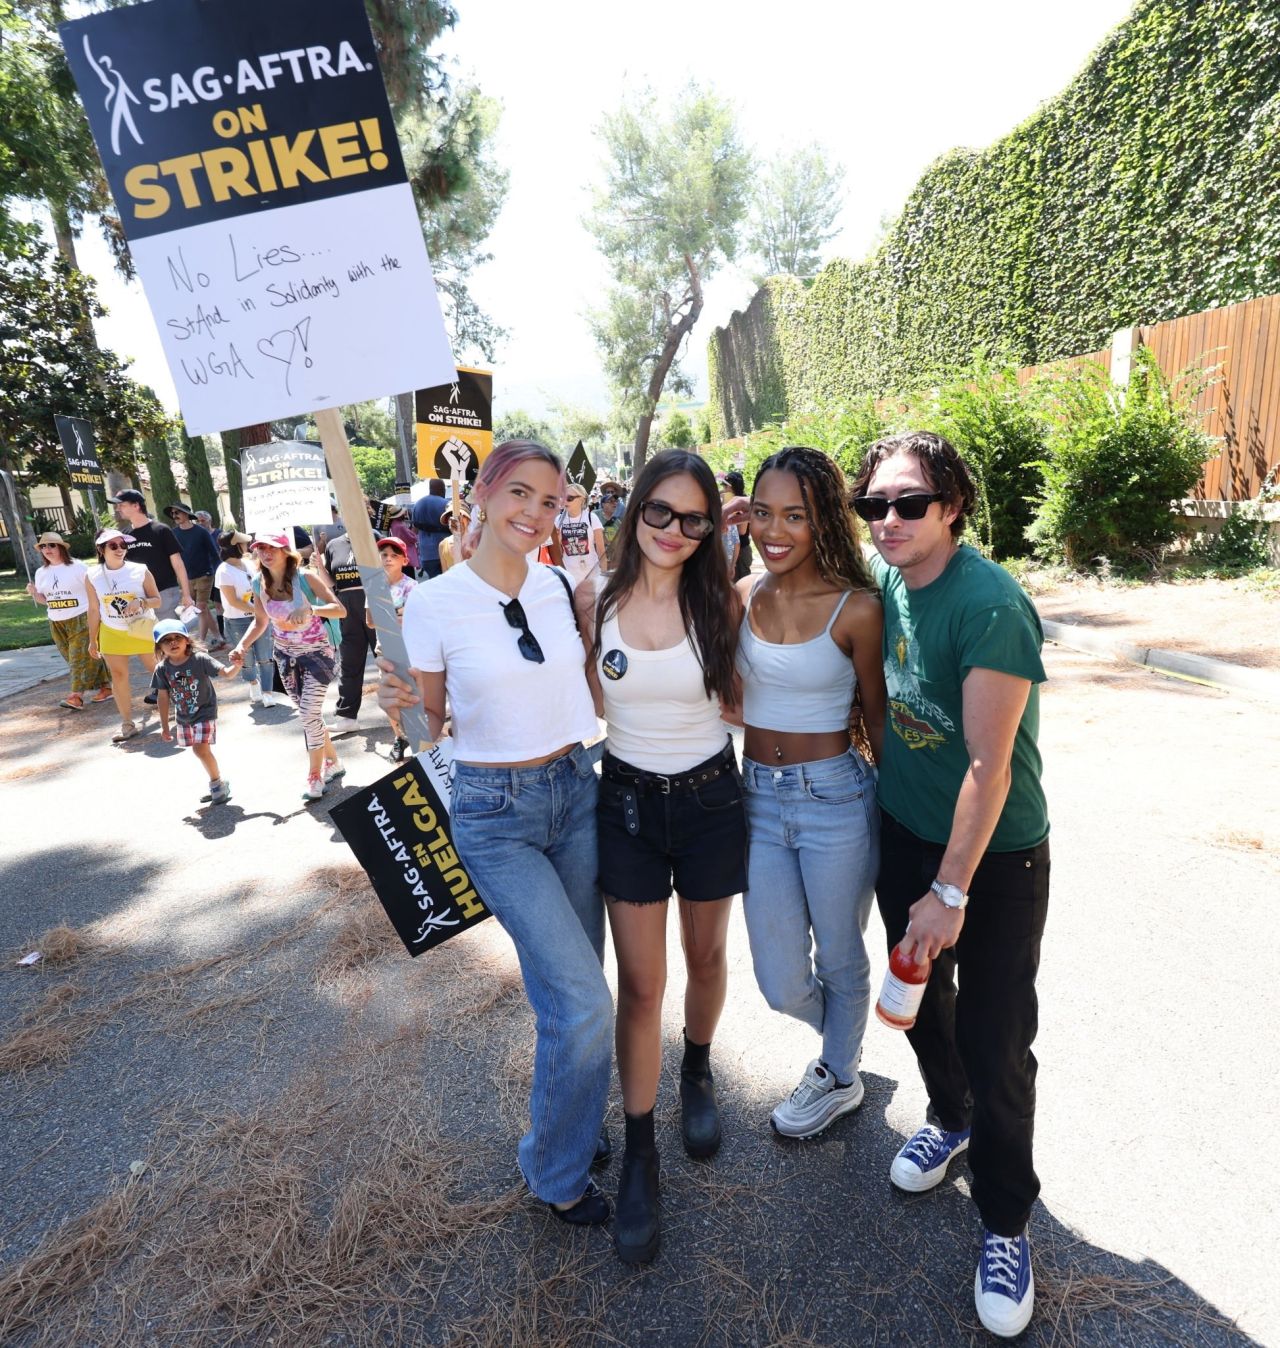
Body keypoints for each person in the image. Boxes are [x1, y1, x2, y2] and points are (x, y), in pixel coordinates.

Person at [379, 440, 613, 1228]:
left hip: (577, 793)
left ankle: (570, 1125)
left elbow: (583, 686)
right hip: (493, 813)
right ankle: (555, 1171)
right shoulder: (433, 602)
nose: (534, 513)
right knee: (584, 1003)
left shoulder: (555, 583)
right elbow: (429, 724)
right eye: (519, 493)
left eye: (549, 502)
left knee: (568, 991)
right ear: (481, 492)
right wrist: (397, 704)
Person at [851, 431, 1050, 1339]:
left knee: (997, 1035)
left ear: (953, 508)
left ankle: (1006, 1223)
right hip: (904, 834)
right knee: (922, 1005)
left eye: (909, 503)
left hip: (993, 863)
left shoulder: (991, 604)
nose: (888, 521)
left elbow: (989, 763)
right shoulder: (890, 576)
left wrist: (952, 891)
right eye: (874, 505)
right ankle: (949, 1114)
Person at [586, 450, 745, 1265]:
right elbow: (570, 698)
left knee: (706, 956)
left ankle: (700, 1066)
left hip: (714, 801)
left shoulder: (723, 603)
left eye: (693, 519)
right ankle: (641, 1151)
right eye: (660, 513)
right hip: (626, 805)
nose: (674, 532)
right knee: (641, 984)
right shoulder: (594, 599)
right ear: (634, 511)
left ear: (710, 526)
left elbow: (754, 697)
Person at [735, 447, 886, 1140]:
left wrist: (905, 819)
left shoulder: (857, 608)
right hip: (758, 799)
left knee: (842, 953)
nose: (776, 530)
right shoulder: (742, 595)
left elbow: (879, 717)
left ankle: (838, 1072)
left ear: (823, 519)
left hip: (834, 799)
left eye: (795, 515)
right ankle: (848, 1042)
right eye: (763, 511)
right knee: (779, 978)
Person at [227, 531, 347, 800]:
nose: (266, 554)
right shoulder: (258, 583)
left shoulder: (307, 578)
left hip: (318, 654)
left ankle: (314, 777)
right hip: (285, 657)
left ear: (285, 551)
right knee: (311, 715)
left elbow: (340, 609)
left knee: (307, 714)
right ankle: (334, 763)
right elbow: (260, 623)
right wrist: (241, 646)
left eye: (272, 548)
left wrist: (312, 609)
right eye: (261, 549)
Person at [150, 618, 241, 805]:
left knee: (200, 748)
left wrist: (237, 665)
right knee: (199, 751)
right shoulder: (162, 669)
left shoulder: (199, 659)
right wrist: (165, 726)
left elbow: (227, 674)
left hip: (205, 712)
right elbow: (163, 697)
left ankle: (216, 785)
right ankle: (219, 782)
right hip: (183, 717)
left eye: (178, 637)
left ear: (187, 641)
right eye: (167, 640)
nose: (173, 642)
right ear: (160, 647)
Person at [85, 527, 162, 743]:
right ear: (101, 549)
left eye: (123, 545)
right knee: (118, 677)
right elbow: (93, 609)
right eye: (113, 545)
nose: (119, 549)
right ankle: (127, 724)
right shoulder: (91, 575)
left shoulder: (139, 570)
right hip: (112, 631)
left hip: (141, 629)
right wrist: (93, 640)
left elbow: (157, 599)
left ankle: (182, 704)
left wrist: (142, 602)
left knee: (157, 671)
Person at [27, 531, 111, 710]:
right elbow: (45, 600)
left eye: (51, 545)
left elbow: (95, 589)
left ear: (61, 548)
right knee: (76, 657)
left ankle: (76, 696)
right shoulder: (41, 572)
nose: (47, 549)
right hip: (56, 621)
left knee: (77, 659)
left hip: (81, 617)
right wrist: (35, 593)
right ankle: (106, 687)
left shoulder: (78, 567)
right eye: (43, 546)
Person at [319, 518, 380, 736]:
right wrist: (318, 565)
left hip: (374, 604)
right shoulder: (333, 545)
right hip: (347, 609)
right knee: (349, 663)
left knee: (388, 659)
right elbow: (332, 583)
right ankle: (347, 716)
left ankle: (409, 712)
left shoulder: (374, 537)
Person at [215, 530, 279, 709]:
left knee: (266, 656)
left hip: (260, 618)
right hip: (238, 621)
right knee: (246, 658)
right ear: (235, 546)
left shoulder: (249, 563)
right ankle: (253, 683)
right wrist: (259, 609)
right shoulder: (223, 570)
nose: (246, 545)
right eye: (243, 543)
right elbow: (232, 600)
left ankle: (268, 691)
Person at [367, 535, 417, 761]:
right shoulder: (374, 586)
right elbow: (369, 620)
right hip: (384, 650)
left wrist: (389, 615)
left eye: (394, 555)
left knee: (411, 696)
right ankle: (399, 737)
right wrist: (394, 615)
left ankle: (419, 737)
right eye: (384, 555)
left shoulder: (411, 586)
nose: (388, 559)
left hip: (409, 650)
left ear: (404, 561)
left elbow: (413, 618)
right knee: (390, 698)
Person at [107, 489, 192, 620]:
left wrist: (186, 594)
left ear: (136, 506)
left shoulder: (161, 530)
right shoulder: (125, 535)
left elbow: (178, 563)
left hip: (165, 593)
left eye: (122, 505)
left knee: (169, 636)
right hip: (139, 596)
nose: (118, 509)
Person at [165, 502, 225, 648]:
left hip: (205, 574)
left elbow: (214, 553)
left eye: (178, 512)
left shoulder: (201, 532)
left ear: (187, 514)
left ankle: (200, 644)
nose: (175, 516)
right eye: (173, 513)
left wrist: (217, 572)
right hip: (186, 577)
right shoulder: (173, 533)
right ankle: (218, 637)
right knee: (202, 609)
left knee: (200, 608)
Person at [553, 482, 605, 593]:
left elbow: (601, 550)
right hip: (569, 575)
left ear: (581, 499)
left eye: (569, 498)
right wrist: (556, 538)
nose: (565, 501)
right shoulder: (558, 520)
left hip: (592, 573)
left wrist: (605, 576)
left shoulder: (591, 518)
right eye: (563, 497)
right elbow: (556, 552)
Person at [410, 476, 450, 579]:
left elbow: (414, 530)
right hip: (445, 553)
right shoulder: (446, 504)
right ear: (442, 488)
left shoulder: (417, 505)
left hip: (426, 555)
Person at [719, 471, 754, 580]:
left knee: (742, 583)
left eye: (726, 486)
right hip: (732, 550)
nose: (723, 488)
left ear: (732, 487)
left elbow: (742, 532)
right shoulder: (729, 502)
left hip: (742, 551)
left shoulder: (742, 503)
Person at [437, 500, 472, 573]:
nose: (455, 519)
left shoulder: (476, 542)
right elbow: (445, 574)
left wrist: (460, 535)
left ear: (468, 519)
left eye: (460, 516)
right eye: (451, 515)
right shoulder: (443, 545)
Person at [597, 485, 625, 569]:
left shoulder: (621, 510)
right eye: (607, 492)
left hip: (615, 556)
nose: (614, 503)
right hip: (600, 557)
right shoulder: (596, 513)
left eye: (612, 492)